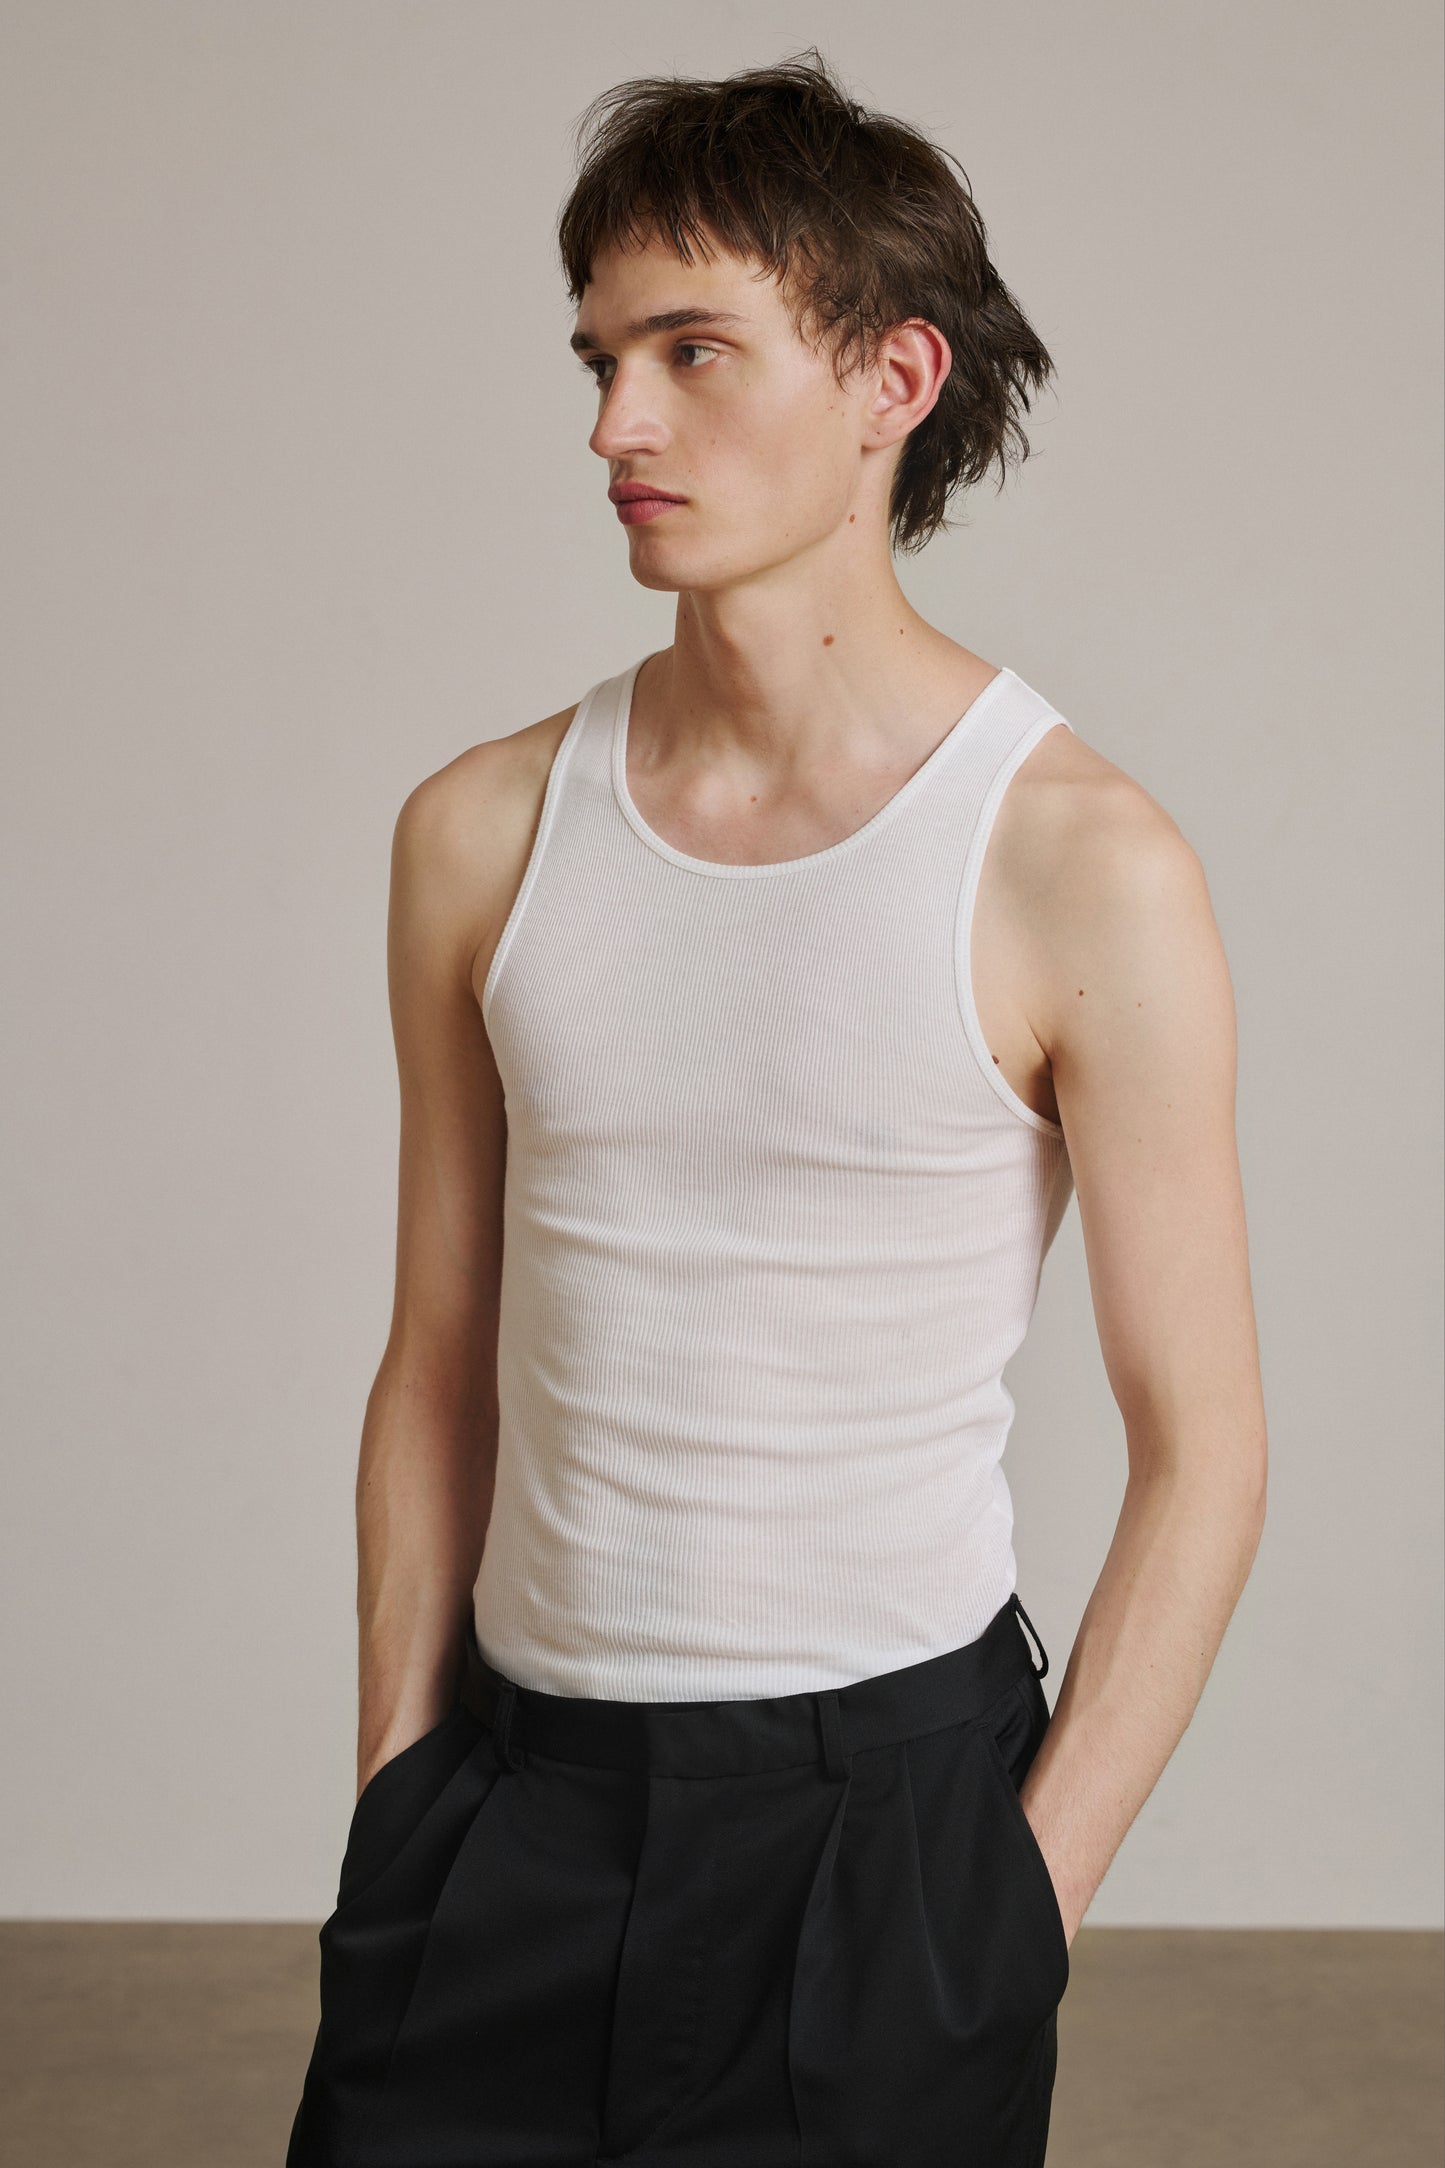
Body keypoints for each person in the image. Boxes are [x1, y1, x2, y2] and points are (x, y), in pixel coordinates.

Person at [286, 47, 1268, 2168]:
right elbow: (435, 1360)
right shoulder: (478, 832)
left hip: (886, 1841)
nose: (614, 425)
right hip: (512, 1820)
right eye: (600, 359)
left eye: (691, 352)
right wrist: (395, 1808)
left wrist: (1015, 1908)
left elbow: (1205, 1449)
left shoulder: (1078, 862)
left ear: (892, 379)